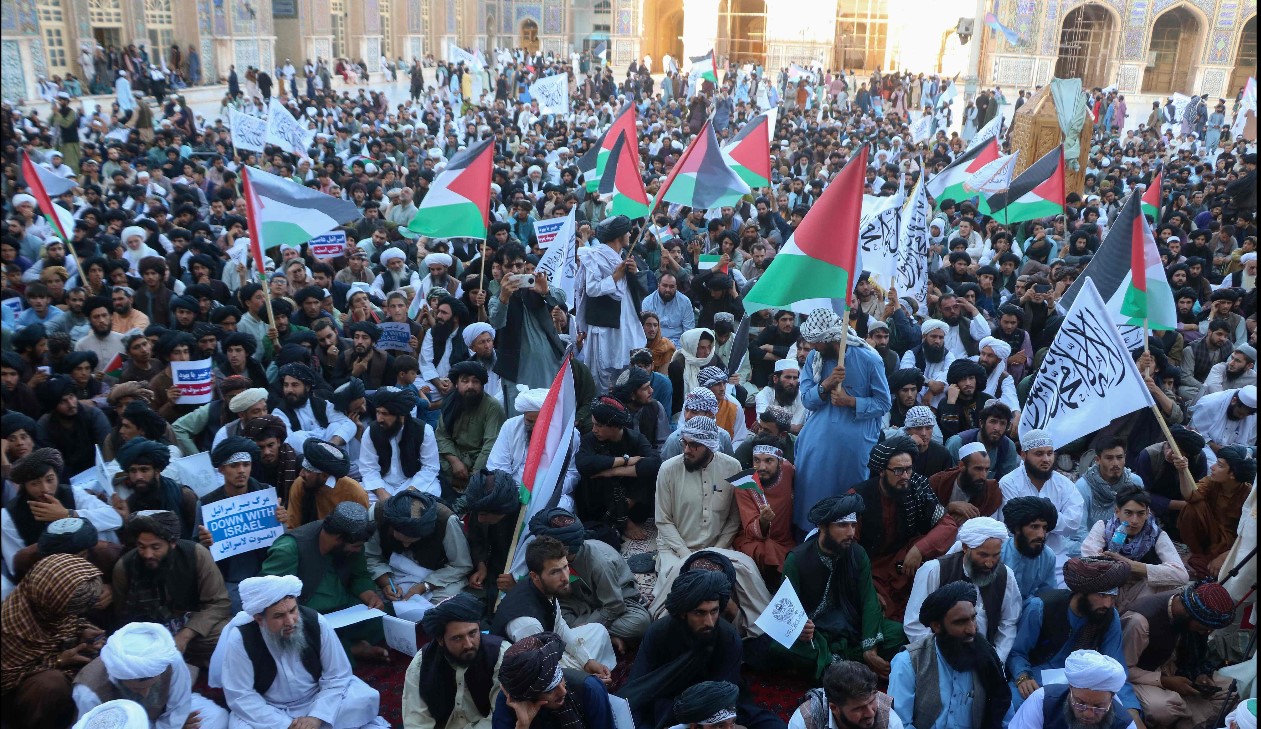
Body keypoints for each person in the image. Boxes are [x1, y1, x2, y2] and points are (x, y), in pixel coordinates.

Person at [210, 574, 387, 729]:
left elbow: (337, 675)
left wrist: (317, 717)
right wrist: (285, 725)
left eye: (293, 610)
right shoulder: (241, 638)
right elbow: (241, 696)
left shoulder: (314, 621)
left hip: (317, 698)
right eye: (279, 616)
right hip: (269, 708)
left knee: (365, 698)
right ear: (259, 619)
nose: (290, 621)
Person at [650, 415, 772, 633]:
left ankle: (752, 633)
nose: (687, 449)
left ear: (710, 446)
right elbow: (663, 520)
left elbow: (734, 518)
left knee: (746, 577)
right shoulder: (668, 469)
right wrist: (687, 554)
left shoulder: (731, 466)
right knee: (675, 591)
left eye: (694, 445)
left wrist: (717, 549)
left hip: (720, 546)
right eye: (684, 443)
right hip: (676, 548)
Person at [623, 570, 786, 729]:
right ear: (682, 613)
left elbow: (724, 690)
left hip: (716, 702)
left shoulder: (728, 637)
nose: (709, 622)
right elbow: (639, 685)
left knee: (771, 724)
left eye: (714, 611)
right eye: (699, 613)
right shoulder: (659, 633)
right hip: (669, 702)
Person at [780, 494, 905, 679]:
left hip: (850, 626)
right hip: (817, 633)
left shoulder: (857, 553)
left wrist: (870, 649)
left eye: (853, 525)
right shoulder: (796, 560)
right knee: (780, 646)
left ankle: (834, 665)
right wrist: (799, 628)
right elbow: (785, 611)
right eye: (842, 525)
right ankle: (844, 665)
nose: (850, 533)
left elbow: (869, 599)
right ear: (822, 526)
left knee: (899, 633)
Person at [1006, 557, 1140, 721]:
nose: (1108, 604)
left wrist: (1131, 710)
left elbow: (1115, 667)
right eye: (1102, 595)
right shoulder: (1040, 607)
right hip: (1038, 677)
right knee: (1013, 704)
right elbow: (1017, 652)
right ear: (1082, 591)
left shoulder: (1108, 617)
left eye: (1113, 596)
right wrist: (1023, 676)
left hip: (1086, 683)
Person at [794, 308, 891, 533]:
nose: (813, 347)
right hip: (817, 440)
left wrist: (851, 402)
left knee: (848, 495)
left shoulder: (869, 359)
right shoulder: (814, 358)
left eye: (816, 343)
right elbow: (808, 400)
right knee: (811, 492)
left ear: (829, 339)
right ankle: (808, 537)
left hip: (855, 443)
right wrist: (826, 384)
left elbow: (883, 404)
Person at [258, 502, 387, 662]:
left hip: (344, 609)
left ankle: (342, 646)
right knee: (293, 639)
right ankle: (351, 649)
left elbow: (359, 575)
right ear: (339, 539)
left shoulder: (353, 543)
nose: (357, 550)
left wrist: (370, 596)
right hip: (304, 616)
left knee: (386, 617)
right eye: (355, 547)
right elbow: (270, 597)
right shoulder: (289, 549)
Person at [850, 435, 959, 619]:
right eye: (898, 470)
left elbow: (947, 524)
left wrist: (919, 549)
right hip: (871, 568)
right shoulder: (859, 496)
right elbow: (849, 549)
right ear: (882, 471)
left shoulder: (917, 485)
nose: (906, 476)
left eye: (909, 469)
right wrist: (867, 589)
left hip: (906, 562)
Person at [112, 511, 231, 668]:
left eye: (155, 547)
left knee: (228, 635)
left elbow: (219, 603)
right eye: (142, 547)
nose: (147, 554)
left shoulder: (196, 554)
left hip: (192, 625)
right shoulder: (124, 567)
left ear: (172, 543)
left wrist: (185, 635)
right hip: (150, 632)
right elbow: (121, 615)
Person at [489, 536, 616, 681]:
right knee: (585, 681)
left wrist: (587, 661)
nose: (565, 578)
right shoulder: (527, 623)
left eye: (565, 567)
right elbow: (540, 671)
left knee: (597, 630)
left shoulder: (545, 588)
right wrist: (584, 678)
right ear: (535, 576)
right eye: (555, 572)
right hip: (525, 674)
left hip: (548, 648)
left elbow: (560, 627)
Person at [0, 555, 105, 729]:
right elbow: (6, 680)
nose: (72, 615)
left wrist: (82, 632)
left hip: (58, 666)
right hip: (24, 698)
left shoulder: (49, 602)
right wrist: (59, 660)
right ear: (53, 603)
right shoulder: (9, 628)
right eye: (68, 610)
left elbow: (68, 622)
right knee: (51, 684)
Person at [888, 581, 1010, 729]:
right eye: (960, 622)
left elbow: (1005, 713)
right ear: (937, 626)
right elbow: (899, 724)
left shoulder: (987, 657)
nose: (972, 630)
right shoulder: (909, 662)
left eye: (973, 618)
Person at [529, 508, 651, 652]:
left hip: (617, 601)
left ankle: (590, 632)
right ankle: (606, 636)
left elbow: (615, 606)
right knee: (557, 615)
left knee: (640, 625)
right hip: (581, 601)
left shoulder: (600, 562)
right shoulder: (558, 561)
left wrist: (586, 626)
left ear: (565, 550)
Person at [903, 517, 1022, 662]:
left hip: (984, 660)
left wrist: (996, 660)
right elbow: (915, 624)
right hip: (942, 659)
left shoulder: (1005, 575)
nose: (990, 563)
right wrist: (942, 660)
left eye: (996, 555)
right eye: (983, 555)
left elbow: (1008, 622)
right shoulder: (934, 571)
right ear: (966, 548)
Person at [1121, 582, 1237, 728]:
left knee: (1232, 687)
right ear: (1188, 614)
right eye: (1203, 628)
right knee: (1162, 709)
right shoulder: (1139, 621)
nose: (1205, 633)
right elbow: (1123, 669)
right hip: (1142, 676)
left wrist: (1200, 675)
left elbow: (1193, 656)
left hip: (1174, 669)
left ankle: (1183, 719)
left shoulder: (1186, 610)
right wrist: (1165, 681)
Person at [72, 621, 229, 729]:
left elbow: (179, 705)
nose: (146, 693)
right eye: (137, 688)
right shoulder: (89, 691)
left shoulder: (168, 660)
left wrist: (175, 724)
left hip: (161, 717)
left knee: (216, 717)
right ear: (120, 677)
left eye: (151, 685)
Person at [2, 448, 123, 576]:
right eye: (35, 484)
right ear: (25, 486)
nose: (45, 489)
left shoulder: (72, 493)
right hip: (47, 576)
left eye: (49, 480)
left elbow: (115, 519)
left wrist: (67, 514)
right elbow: (16, 565)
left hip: (90, 565)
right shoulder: (8, 516)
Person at [403, 593, 507, 729]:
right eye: (457, 638)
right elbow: (416, 720)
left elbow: (501, 716)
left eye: (472, 633)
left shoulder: (500, 654)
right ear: (441, 640)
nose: (468, 644)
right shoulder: (423, 661)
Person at [1080, 486, 1187, 611]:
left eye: (1140, 513)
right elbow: (1088, 561)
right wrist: (1120, 570)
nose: (1134, 521)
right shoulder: (1103, 527)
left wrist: (1133, 566)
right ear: (1117, 512)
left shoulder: (1156, 535)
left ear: (1148, 513)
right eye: (1128, 513)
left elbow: (1182, 575)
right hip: (1108, 591)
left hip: (1142, 594)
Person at [998, 428, 1084, 582]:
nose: (1046, 459)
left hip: (1056, 557)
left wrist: (1034, 519)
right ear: (1024, 455)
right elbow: (1012, 523)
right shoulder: (1009, 483)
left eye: (1049, 453)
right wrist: (1051, 517)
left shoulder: (1064, 484)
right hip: (1017, 556)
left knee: (1060, 598)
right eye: (1039, 454)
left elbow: (1073, 523)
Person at [573, 396, 662, 544]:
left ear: (614, 426)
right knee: (594, 475)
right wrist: (624, 460)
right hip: (600, 505)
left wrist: (613, 471)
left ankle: (623, 515)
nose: (594, 429)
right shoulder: (590, 439)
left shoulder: (635, 438)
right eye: (593, 424)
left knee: (649, 474)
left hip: (632, 500)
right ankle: (624, 521)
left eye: (599, 425)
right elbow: (583, 463)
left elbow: (655, 463)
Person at [484, 386, 581, 515]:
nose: (536, 427)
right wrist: (518, 492)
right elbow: (497, 467)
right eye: (530, 421)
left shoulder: (570, 435)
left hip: (552, 493)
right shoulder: (510, 427)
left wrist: (546, 491)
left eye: (542, 422)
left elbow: (572, 474)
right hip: (514, 491)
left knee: (561, 509)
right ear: (523, 415)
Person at [577, 215, 647, 393]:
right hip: (605, 328)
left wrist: (633, 272)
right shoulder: (595, 256)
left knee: (624, 377)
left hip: (625, 325)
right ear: (618, 235)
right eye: (627, 231)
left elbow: (639, 288)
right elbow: (592, 289)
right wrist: (616, 276)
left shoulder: (624, 256)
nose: (631, 234)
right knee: (602, 380)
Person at [365, 489, 472, 602]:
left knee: (445, 602)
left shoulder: (446, 521)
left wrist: (425, 586)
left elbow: (461, 565)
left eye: (412, 541)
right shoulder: (377, 514)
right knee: (371, 596)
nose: (406, 546)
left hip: (437, 575)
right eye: (401, 539)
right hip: (390, 571)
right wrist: (385, 583)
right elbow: (371, 556)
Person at [493, 632, 615, 729]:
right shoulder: (511, 700)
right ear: (529, 695)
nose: (563, 692)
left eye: (560, 679)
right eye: (550, 690)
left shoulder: (590, 688)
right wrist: (523, 725)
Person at [1178, 445, 1256, 578]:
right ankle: (1195, 553)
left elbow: (1249, 533)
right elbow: (1190, 496)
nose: (1212, 467)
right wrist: (1182, 471)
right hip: (1209, 533)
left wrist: (1226, 556)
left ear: (1232, 474)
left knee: (1210, 568)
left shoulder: (1249, 494)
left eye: (1219, 465)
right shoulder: (1211, 482)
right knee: (1193, 506)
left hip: (1230, 544)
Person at [1008, 650, 1136, 729]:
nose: (1088, 714)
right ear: (1070, 689)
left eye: (1098, 707)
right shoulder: (1042, 701)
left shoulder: (1125, 724)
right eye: (1080, 703)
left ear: (1112, 698)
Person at [436, 361, 505, 497]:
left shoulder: (492, 407)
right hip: (452, 459)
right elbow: (442, 436)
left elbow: (490, 445)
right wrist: (455, 462)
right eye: (465, 381)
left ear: (482, 384)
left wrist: (475, 476)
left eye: (475, 381)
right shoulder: (449, 403)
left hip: (479, 462)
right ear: (456, 383)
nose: (470, 386)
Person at [359, 387, 441, 499]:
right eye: (378, 412)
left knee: (432, 491)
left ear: (401, 415)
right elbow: (368, 468)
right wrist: (382, 494)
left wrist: (409, 491)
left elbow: (430, 467)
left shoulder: (424, 430)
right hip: (382, 485)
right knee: (359, 495)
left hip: (413, 484)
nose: (379, 419)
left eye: (385, 414)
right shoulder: (371, 431)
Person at [733, 440, 796, 582]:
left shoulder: (788, 471)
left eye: (769, 461)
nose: (762, 467)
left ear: (780, 462)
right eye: (756, 460)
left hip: (785, 540)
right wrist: (763, 521)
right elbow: (749, 528)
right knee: (763, 550)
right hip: (754, 541)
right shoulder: (744, 485)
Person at [788, 660, 903, 729]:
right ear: (834, 708)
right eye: (859, 708)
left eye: (872, 701)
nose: (870, 713)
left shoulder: (890, 722)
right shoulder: (804, 722)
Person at [272, 362, 356, 453]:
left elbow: (348, 424)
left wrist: (332, 444)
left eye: (295, 385)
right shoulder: (279, 413)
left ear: (307, 387)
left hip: (331, 453)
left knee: (335, 427)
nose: (289, 390)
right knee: (295, 437)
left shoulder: (321, 404)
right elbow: (290, 442)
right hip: (303, 460)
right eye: (286, 385)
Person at [286, 438, 368, 528]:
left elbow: (360, 532)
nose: (301, 474)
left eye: (307, 470)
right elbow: (292, 527)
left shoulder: (355, 493)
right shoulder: (300, 484)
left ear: (324, 476)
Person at [1075, 439, 1146, 539]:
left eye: (1119, 457)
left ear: (1125, 458)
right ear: (1098, 459)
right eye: (1109, 458)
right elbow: (1080, 530)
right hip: (1092, 542)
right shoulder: (1083, 487)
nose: (1116, 463)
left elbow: (1142, 517)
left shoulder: (1135, 482)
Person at [928, 442, 1002, 525]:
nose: (983, 476)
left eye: (987, 470)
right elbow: (926, 517)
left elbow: (991, 526)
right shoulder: (938, 482)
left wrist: (970, 519)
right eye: (978, 469)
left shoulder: (992, 490)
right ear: (961, 465)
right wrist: (949, 508)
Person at [1000, 496, 1058, 601]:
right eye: (1034, 527)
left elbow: (1049, 596)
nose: (1041, 535)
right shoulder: (998, 553)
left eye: (1044, 528)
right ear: (1017, 528)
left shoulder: (1048, 557)